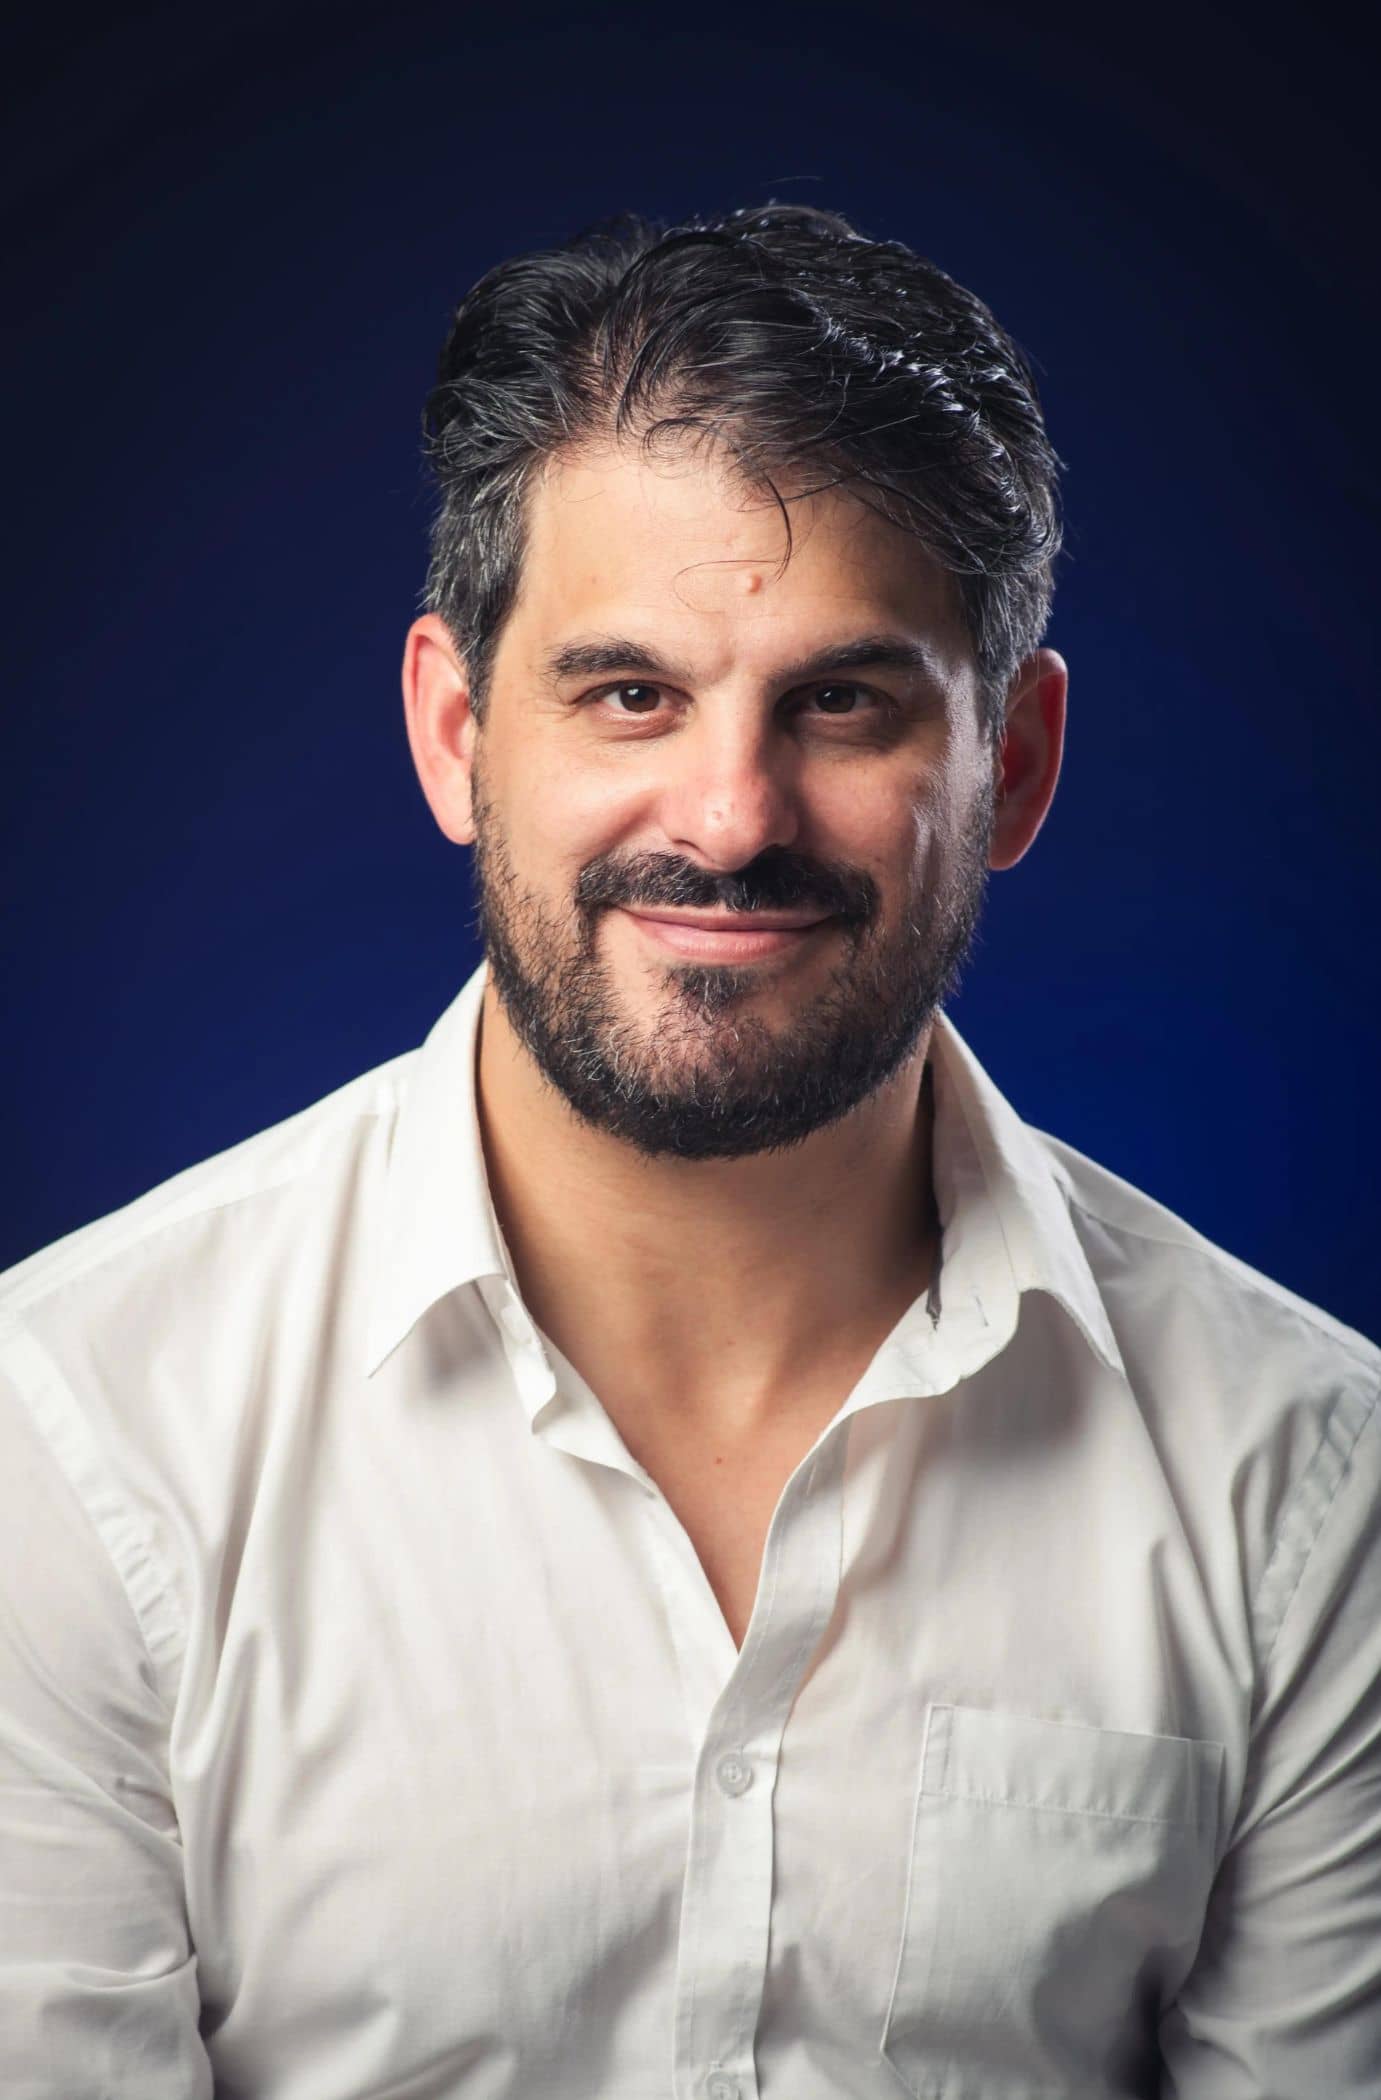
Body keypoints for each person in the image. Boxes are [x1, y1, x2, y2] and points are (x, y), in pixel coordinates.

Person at [1, 200, 1377, 2100]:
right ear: (456, 733)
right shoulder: (71, 1445)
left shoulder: (1308, 1488)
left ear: (1016, 763)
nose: (729, 820)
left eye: (842, 701)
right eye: (628, 693)